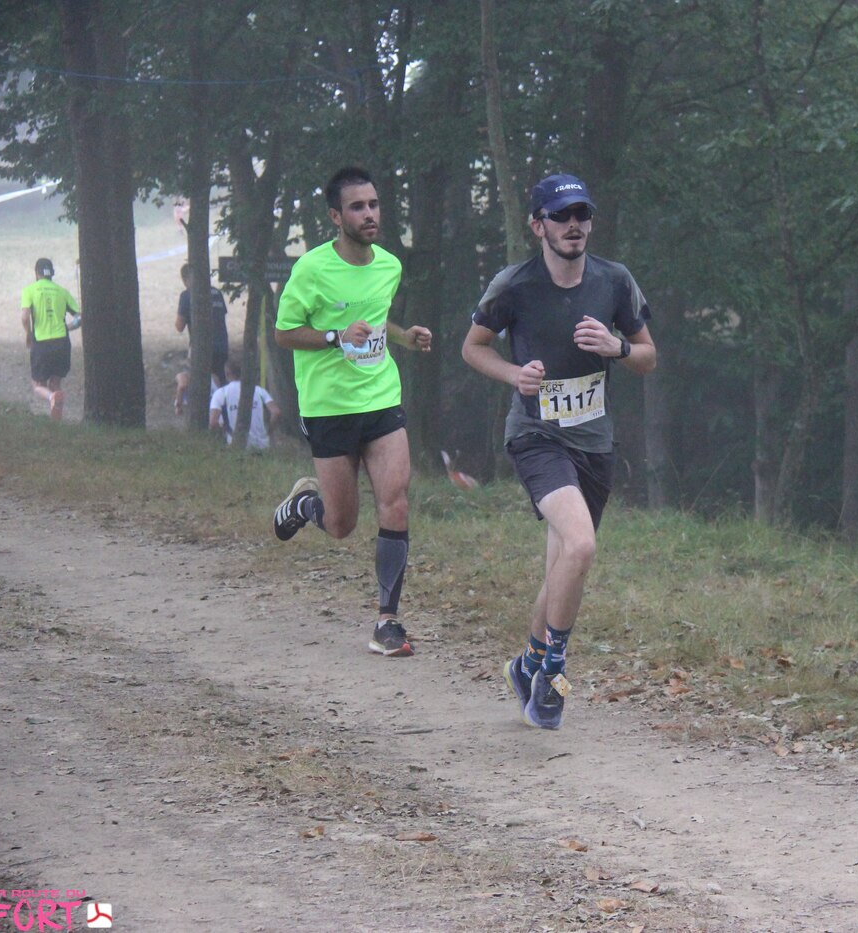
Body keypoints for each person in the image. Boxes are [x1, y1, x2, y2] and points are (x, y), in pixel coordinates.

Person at [462, 173, 656, 729]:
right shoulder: (514, 284)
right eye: (561, 215)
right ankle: (553, 670)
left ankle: (525, 664)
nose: (574, 225)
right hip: (536, 435)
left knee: (564, 565)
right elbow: (473, 348)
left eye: (582, 215)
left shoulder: (615, 281)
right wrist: (514, 374)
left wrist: (618, 348)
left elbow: (648, 356)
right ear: (537, 225)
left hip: (594, 442)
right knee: (581, 543)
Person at [271, 166, 433, 658]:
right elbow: (284, 332)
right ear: (335, 217)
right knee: (341, 524)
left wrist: (404, 336)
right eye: (357, 207)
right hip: (328, 406)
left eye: (374, 204)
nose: (369, 214)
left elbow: (375, 318)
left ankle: (388, 621)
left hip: (380, 397)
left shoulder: (389, 265)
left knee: (396, 501)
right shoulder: (312, 269)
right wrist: (334, 337)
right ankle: (306, 505)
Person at [20, 258, 81, 421]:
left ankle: (51, 398)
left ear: (36, 273)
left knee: (38, 385)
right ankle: (56, 418)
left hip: (41, 343)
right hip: (62, 342)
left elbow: (25, 317)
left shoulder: (29, 290)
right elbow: (80, 318)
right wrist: (67, 327)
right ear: (52, 274)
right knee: (55, 383)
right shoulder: (62, 292)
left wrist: (28, 334)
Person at [174, 263, 230, 414]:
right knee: (219, 380)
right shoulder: (217, 293)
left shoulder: (187, 295)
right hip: (222, 344)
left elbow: (179, 326)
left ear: (185, 279)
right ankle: (222, 415)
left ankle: (200, 414)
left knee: (198, 381)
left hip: (200, 347)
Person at [209, 357, 280, 450]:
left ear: (227, 374)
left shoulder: (221, 393)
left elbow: (213, 422)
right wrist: (268, 433)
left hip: (236, 445)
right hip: (262, 445)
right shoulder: (259, 390)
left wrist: (224, 433)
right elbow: (276, 412)